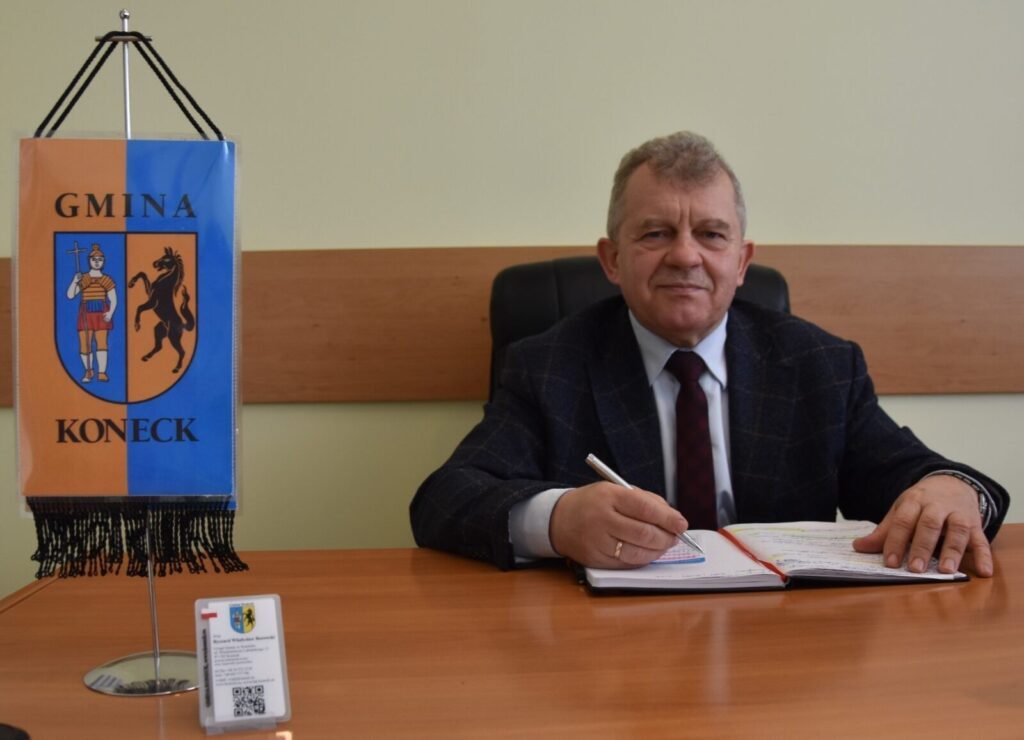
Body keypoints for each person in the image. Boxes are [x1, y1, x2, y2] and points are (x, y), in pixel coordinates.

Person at [410, 131, 1009, 575]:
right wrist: (558, 520)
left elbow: (914, 477)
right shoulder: (548, 366)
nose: (685, 256)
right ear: (612, 260)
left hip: (782, 648)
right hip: (607, 653)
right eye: (656, 233)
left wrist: (952, 489)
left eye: (711, 234)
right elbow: (444, 499)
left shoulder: (820, 366)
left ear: (742, 262)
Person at [67, 243, 117, 383]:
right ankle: (88, 371)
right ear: (89, 261)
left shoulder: (106, 280)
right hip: (85, 314)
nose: (96, 262)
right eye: (94, 259)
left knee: (102, 344)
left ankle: (102, 372)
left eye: (99, 260)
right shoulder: (83, 278)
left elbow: (113, 299)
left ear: (103, 261)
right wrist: (75, 281)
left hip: (101, 314)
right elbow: (70, 295)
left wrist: (110, 313)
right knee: (85, 345)